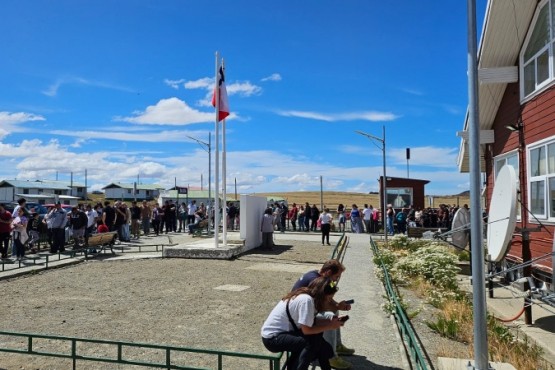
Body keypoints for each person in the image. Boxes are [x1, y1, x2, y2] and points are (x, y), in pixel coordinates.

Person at [261, 277, 345, 370]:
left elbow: (309, 322)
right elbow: (307, 330)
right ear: (321, 295)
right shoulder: (306, 300)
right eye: (329, 298)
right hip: (273, 338)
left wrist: (330, 321)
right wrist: (329, 326)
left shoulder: (308, 297)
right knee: (312, 342)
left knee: (317, 339)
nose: (329, 301)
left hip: (283, 334)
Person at [291, 260, 354, 369]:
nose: (337, 279)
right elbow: (321, 305)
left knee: (334, 312)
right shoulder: (315, 281)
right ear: (329, 272)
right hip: (299, 315)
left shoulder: (319, 275)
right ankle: (331, 357)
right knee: (329, 316)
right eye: (337, 276)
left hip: (307, 309)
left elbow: (327, 298)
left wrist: (337, 305)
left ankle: (336, 345)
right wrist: (337, 307)